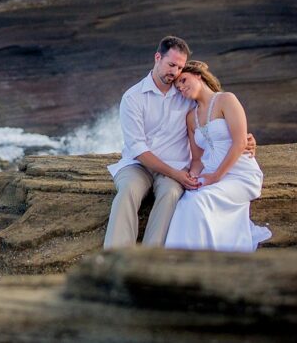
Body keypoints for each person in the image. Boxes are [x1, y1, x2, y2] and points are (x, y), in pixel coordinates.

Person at [103, 36, 256, 248]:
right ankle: (116, 256)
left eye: (180, 67)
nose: (175, 72)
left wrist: (244, 138)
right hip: (138, 165)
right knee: (128, 189)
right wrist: (177, 174)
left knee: (172, 193)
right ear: (158, 58)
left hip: (175, 166)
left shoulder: (185, 92)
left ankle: (150, 258)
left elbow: (214, 115)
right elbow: (137, 149)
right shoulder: (133, 97)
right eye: (171, 64)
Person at [164, 60, 272, 251]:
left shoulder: (226, 100)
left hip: (240, 174)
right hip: (211, 175)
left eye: (184, 80)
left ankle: (209, 257)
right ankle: (181, 260)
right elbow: (197, 160)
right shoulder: (191, 117)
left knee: (200, 201)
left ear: (198, 75)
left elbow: (240, 142)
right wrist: (192, 179)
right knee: (187, 201)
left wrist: (215, 177)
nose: (180, 87)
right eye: (177, 86)